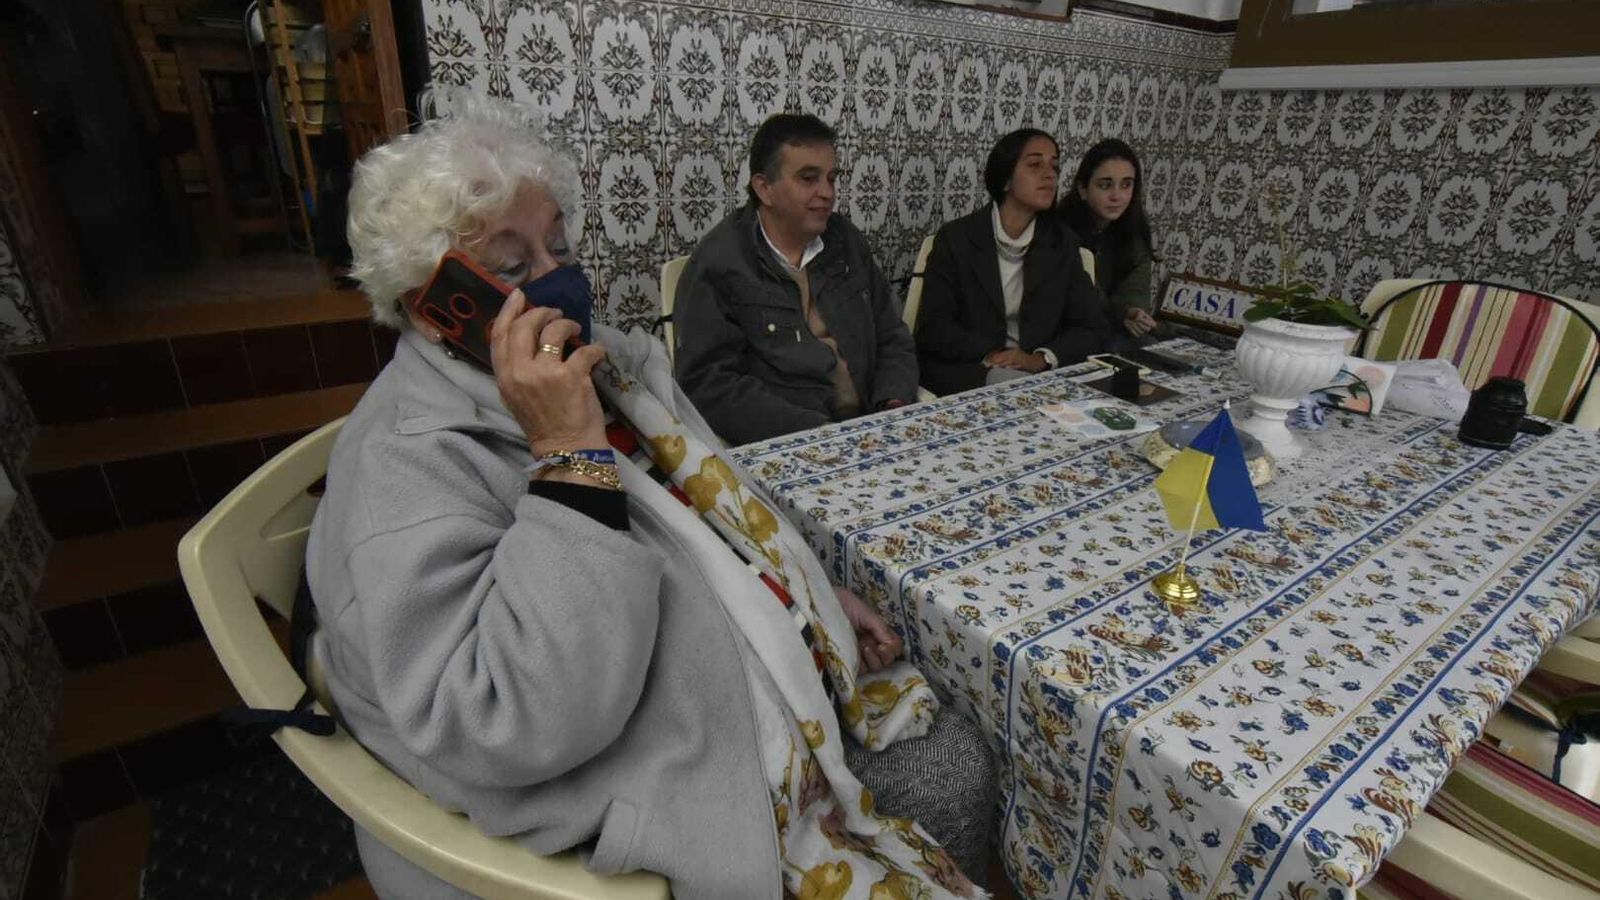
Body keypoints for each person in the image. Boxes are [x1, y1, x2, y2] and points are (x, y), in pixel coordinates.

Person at [307, 92, 995, 900]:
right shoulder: (406, 465)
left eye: (558, 245)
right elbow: (508, 718)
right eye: (511, 268)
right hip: (633, 788)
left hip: (723, 686)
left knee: (959, 759)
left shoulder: (608, 363)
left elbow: (715, 507)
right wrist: (565, 452)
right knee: (949, 777)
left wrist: (808, 591)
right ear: (433, 307)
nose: (556, 279)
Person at [673, 114, 919, 445]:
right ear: (764, 188)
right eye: (808, 179)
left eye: (831, 179)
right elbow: (708, 384)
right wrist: (814, 434)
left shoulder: (846, 241)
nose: (827, 193)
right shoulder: (720, 262)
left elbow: (891, 335)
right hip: (791, 440)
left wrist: (894, 402)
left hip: (872, 424)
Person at [914, 128, 1110, 396]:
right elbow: (934, 328)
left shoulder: (1061, 243)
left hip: (1037, 373)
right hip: (970, 369)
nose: (1049, 174)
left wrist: (1040, 358)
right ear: (1005, 178)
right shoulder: (957, 238)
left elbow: (1091, 327)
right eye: (1034, 165)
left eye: (1054, 166)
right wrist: (994, 354)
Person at [1060, 138, 1158, 344]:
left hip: (1113, 329)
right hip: (1067, 332)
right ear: (1083, 189)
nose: (1117, 196)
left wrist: (1133, 313)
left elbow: (1135, 290)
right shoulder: (1059, 230)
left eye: (1126, 185)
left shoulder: (1135, 232)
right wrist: (1119, 315)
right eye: (1105, 185)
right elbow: (1079, 302)